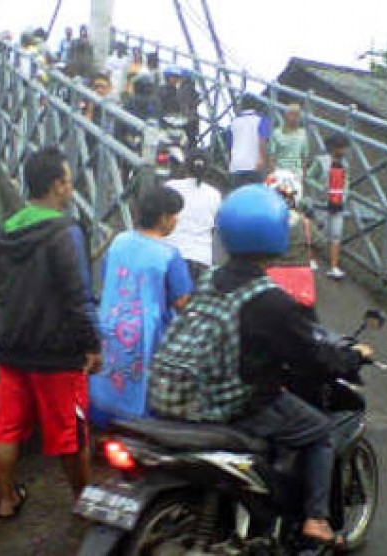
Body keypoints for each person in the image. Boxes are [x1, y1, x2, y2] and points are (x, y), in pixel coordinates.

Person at [198, 185, 366, 547]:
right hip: (241, 402)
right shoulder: (270, 299)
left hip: (194, 392)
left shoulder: (207, 280)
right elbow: (314, 356)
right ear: (276, 235)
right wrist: (352, 357)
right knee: (320, 431)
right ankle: (316, 520)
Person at [0, 146, 102, 519]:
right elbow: (79, 295)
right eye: (69, 181)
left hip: (12, 349)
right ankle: (82, 502)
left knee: (5, 429)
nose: (71, 188)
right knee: (71, 434)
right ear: (58, 185)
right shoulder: (65, 231)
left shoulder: (8, 227)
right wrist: (92, 343)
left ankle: (7, 500)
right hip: (56, 355)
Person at [89, 186, 193, 426]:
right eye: (175, 215)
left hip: (110, 326)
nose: (176, 221)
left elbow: (108, 281)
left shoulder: (119, 242)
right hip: (146, 338)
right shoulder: (169, 255)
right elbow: (182, 303)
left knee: (107, 383)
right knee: (140, 392)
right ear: (164, 217)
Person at [163, 149, 222, 282]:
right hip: (202, 258)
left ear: (185, 165)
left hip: (170, 255)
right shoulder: (215, 195)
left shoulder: (170, 187)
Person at [265, 175, 318, 321]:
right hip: (301, 282)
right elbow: (321, 243)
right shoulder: (305, 223)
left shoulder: (267, 222)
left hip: (273, 278)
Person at [308, 134, 350, 279]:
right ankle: (312, 259)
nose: (344, 150)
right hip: (322, 204)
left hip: (338, 203)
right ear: (333, 148)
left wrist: (344, 195)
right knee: (320, 233)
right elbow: (308, 176)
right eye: (342, 147)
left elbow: (347, 182)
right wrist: (321, 188)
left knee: (336, 234)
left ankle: (333, 266)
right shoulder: (321, 161)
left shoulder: (346, 164)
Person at [228, 94, 271, 188]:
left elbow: (230, 145)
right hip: (253, 165)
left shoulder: (233, 122)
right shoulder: (262, 120)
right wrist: (263, 160)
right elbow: (263, 141)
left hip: (236, 165)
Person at [268, 103, 309, 197]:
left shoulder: (303, 134)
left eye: (297, 115)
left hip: (296, 174)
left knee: (294, 202)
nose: (294, 118)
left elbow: (305, 156)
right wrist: (274, 174)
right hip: (280, 172)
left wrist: (302, 175)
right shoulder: (276, 133)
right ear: (286, 116)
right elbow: (271, 156)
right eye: (292, 114)